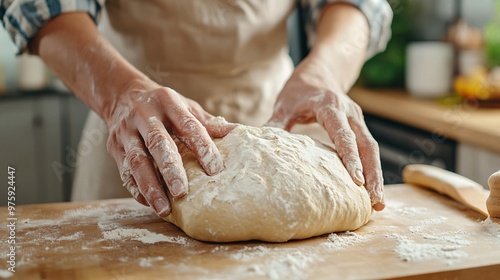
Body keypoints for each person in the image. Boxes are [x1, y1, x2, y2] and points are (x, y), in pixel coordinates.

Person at [1, 0, 392, 217]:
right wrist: (118, 94)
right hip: (137, 135)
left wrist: (324, 72)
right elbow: (38, 6)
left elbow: (357, 5)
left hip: (280, 120)